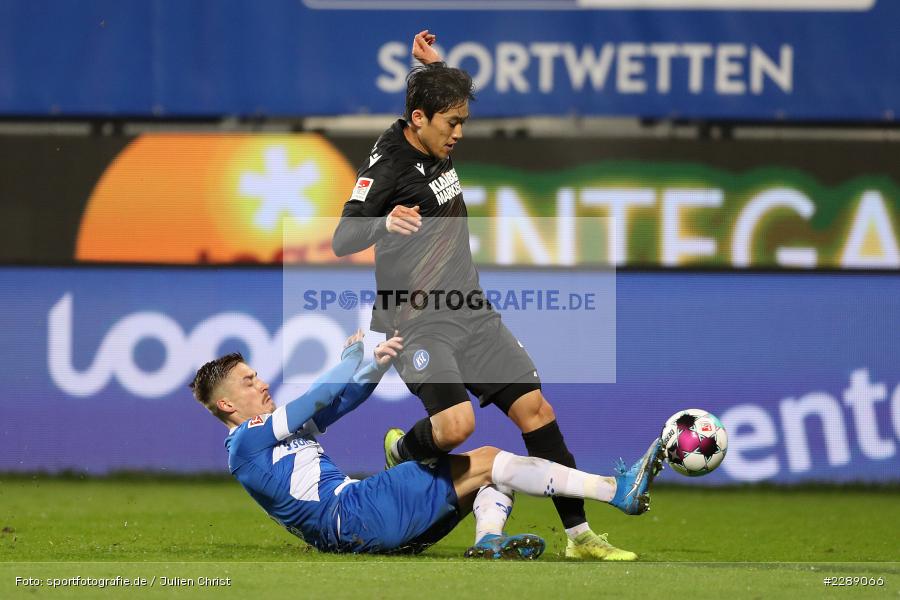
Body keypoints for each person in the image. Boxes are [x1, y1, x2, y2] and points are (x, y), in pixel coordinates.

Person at [331, 30, 636, 559]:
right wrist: (385, 221)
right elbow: (341, 237)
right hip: (416, 323)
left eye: (463, 122)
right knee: (457, 425)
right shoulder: (386, 168)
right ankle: (403, 449)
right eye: (453, 123)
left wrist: (435, 67)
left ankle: (579, 537)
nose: (459, 135)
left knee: (535, 411)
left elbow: (433, 102)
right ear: (420, 119)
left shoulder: (430, 129)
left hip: (471, 310)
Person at [189, 331, 664, 557]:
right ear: (229, 406)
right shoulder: (246, 442)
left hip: (358, 530)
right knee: (491, 460)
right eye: (249, 382)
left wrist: (373, 363)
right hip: (354, 513)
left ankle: (488, 543)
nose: (263, 383)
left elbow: (344, 399)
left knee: (480, 475)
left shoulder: (271, 436)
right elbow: (320, 394)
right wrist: (352, 355)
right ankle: (613, 490)